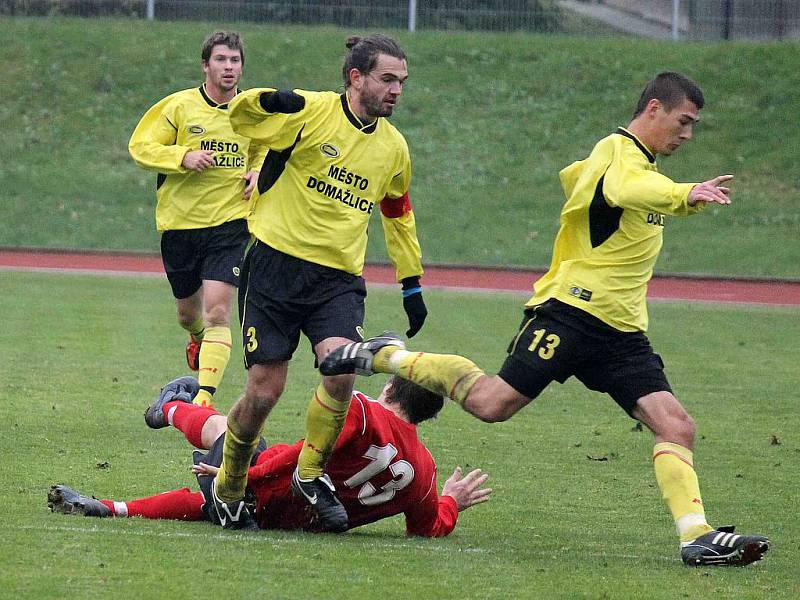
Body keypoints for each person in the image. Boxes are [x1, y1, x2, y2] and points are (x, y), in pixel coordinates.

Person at [321, 72, 770, 566]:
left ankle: (696, 537)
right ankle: (387, 355)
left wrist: (638, 194)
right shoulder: (618, 153)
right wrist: (686, 195)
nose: (687, 134)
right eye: (683, 122)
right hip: (570, 313)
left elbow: (584, 180)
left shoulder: (640, 166)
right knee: (493, 404)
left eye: (694, 126)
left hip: (620, 332)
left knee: (677, 426)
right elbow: (622, 185)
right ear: (654, 109)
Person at [209, 34, 428, 531]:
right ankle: (230, 481)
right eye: (387, 79)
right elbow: (241, 119)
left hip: (337, 281)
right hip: (274, 270)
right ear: (356, 78)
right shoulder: (310, 113)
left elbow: (398, 214)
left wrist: (411, 281)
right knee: (265, 391)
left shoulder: (394, 148)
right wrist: (267, 98)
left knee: (341, 370)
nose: (396, 90)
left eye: (402, 82)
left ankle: (310, 475)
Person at [48, 376, 490, 536]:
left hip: (265, 493)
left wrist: (242, 475)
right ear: (428, 416)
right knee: (207, 506)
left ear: (391, 387)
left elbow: (303, 458)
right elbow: (428, 527)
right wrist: (451, 499)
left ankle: (166, 407)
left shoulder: (360, 409)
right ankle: (107, 508)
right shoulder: (426, 472)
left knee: (229, 430)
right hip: (297, 523)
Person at [128, 31, 266, 408]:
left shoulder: (251, 111)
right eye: (221, 60)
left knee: (219, 309)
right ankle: (196, 337)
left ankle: (203, 397)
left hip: (231, 224)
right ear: (206, 65)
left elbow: (267, 147)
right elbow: (140, 147)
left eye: (235, 61)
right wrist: (182, 157)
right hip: (181, 225)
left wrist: (258, 171)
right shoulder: (179, 107)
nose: (229, 67)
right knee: (189, 314)